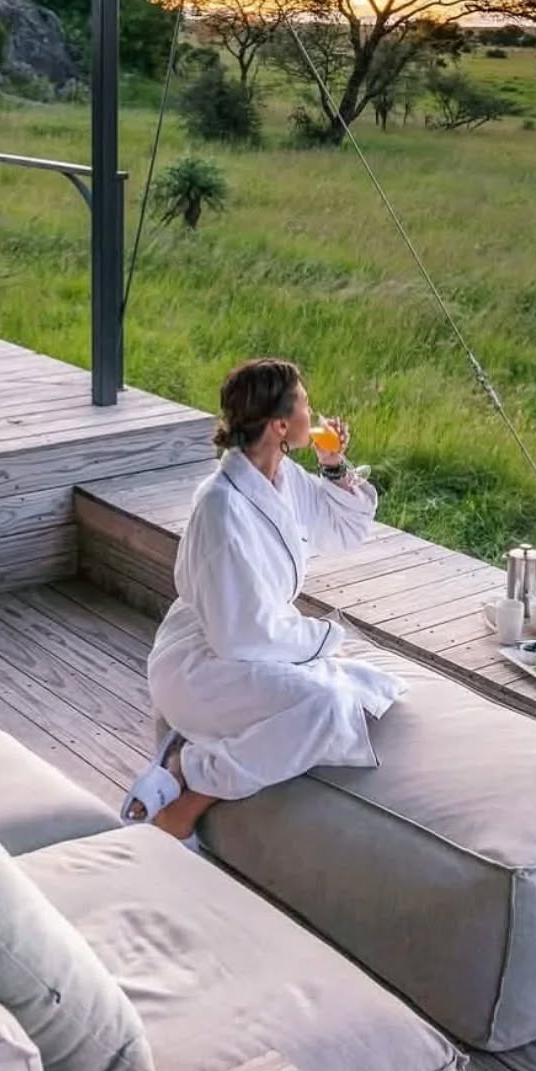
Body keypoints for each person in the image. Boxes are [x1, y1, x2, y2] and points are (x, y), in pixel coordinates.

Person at [123, 358, 405, 844]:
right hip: (201, 663)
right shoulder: (222, 506)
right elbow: (239, 636)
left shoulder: (284, 479)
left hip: (250, 644)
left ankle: (186, 761)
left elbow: (342, 530)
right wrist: (321, 637)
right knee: (326, 706)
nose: (314, 414)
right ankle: (188, 787)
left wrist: (334, 465)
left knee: (358, 691)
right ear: (279, 425)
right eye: (305, 405)